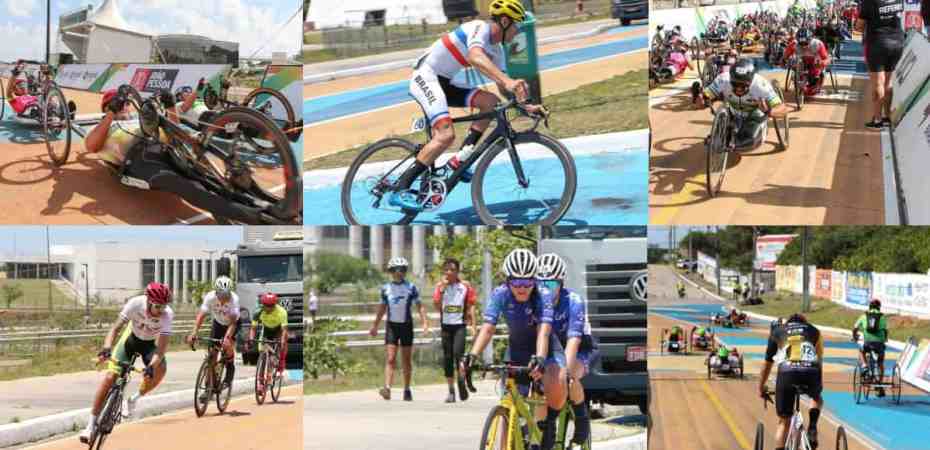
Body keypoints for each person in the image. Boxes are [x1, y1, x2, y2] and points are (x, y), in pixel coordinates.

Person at [390, 0, 545, 210]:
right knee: (445, 135)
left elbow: (505, 86)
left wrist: (528, 106)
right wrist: (508, 81)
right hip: (426, 77)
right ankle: (400, 188)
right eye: (516, 25)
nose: (517, 31)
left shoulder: (497, 51)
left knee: (491, 102)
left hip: (446, 81)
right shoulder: (479, 28)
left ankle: (459, 161)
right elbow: (474, 56)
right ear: (506, 21)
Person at [84, 88, 265, 223]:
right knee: (190, 187)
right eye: (116, 104)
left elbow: (174, 131)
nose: (123, 107)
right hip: (140, 160)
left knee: (208, 179)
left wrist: (170, 104)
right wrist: (110, 115)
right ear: (106, 108)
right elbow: (91, 146)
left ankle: (257, 202)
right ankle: (256, 217)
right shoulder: (103, 126)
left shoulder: (140, 118)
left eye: (124, 104)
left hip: (167, 148)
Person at [461, 248, 564, 450]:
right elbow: (488, 328)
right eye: (517, 282)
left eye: (528, 282)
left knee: (543, 392)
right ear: (508, 281)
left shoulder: (543, 295)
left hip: (546, 349)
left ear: (535, 281)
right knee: (508, 404)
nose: (522, 288)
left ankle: (543, 433)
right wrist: (472, 355)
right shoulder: (500, 294)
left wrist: (541, 359)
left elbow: (544, 332)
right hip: (516, 350)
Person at [79, 283, 173, 443]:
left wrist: (151, 366)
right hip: (130, 341)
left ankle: (134, 399)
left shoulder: (167, 315)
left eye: (163, 306)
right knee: (110, 377)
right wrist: (107, 348)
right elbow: (115, 329)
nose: (160, 310)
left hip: (150, 345)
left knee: (161, 370)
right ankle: (90, 426)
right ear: (149, 301)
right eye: (157, 306)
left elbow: (162, 347)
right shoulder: (136, 304)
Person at [536, 253, 598, 445]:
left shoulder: (574, 301)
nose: (546, 289)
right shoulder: (534, 301)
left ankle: (581, 417)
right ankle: (544, 428)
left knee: (568, 378)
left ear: (561, 282)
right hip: (551, 349)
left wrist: (564, 371)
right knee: (541, 386)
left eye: (551, 285)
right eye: (541, 284)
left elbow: (574, 340)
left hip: (579, 348)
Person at [758, 314, 824, 450]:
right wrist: (817, 387)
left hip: (787, 373)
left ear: (787, 323)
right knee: (816, 398)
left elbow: (767, 364)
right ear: (805, 323)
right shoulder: (814, 331)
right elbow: (819, 360)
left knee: (784, 421)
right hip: (811, 371)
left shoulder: (777, 331)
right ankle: (812, 426)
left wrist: (761, 387)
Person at [369, 257, 430, 401]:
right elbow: (382, 308)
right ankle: (387, 388)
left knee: (406, 360)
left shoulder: (411, 287)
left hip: (406, 326)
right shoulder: (386, 288)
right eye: (396, 269)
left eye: (403, 269)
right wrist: (375, 326)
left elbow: (419, 306)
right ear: (391, 271)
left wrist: (425, 323)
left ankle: (407, 389)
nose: (399, 272)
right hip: (392, 326)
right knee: (390, 358)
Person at [696, 59, 790, 149]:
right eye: (735, 84)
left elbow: (783, 109)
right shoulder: (723, 79)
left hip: (754, 114)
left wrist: (769, 111)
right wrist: (701, 100)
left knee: (750, 140)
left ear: (751, 82)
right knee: (716, 143)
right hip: (733, 112)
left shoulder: (761, 85)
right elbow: (702, 100)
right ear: (730, 79)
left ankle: (758, 131)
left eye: (743, 85)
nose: (739, 89)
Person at [186, 276, 240, 398]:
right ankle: (208, 387)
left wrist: (227, 338)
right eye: (221, 294)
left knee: (228, 346)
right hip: (218, 323)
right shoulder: (210, 297)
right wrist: (194, 332)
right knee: (211, 355)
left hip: (232, 324)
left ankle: (230, 367)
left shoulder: (234, 300)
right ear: (216, 292)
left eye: (227, 294)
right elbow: (201, 315)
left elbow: (233, 323)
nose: (224, 297)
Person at [432, 257, 477, 403]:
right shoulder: (440, 286)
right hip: (446, 325)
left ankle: (462, 381)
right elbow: (436, 305)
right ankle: (451, 391)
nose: (449, 272)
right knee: (447, 358)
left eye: (452, 269)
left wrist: (473, 327)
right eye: (446, 270)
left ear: (457, 271)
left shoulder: (465, 286)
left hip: (459, 325)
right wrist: (442, 289)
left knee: (459, 354)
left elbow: (471, 307)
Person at [856, 0, 905, 129]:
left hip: (878, 43)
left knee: (878, 83)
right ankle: (887, 117)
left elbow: (859, 27)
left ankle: (877, 119)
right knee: (888, 83)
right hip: (898, 42)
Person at [249, 292, 290, 386]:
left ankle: (278, 366)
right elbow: (253, 328)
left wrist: (282, 341)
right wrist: (251, 339)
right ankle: (260, 382)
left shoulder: (282, 312)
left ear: (275, 304)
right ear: (263, 304)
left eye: (271, 305)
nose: (268, 308)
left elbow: (284, 330)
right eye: (266, 305)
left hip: (278, 331)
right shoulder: (258, 312)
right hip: (266, 330)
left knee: (275, 354)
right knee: (263, 354)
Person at [852, 299, 889, 397]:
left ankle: (864, 365)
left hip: (868, 342)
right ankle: (879, 385)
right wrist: (885, 339)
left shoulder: (864, 316)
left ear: (869, 307)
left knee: (861, 350)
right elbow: (885, 331)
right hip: (879, 344)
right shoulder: (882, 317)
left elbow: (855, 328)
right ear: (879, 307)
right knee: (880, 363)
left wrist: (855, 336)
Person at [783, 29, 831, 97]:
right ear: (797, 40)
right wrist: (783, 61)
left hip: (815, 62)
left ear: (810, 39)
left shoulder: (818, 44)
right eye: (801, 43)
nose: (803, 45)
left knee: (816, 74)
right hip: (802, 61)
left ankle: (816, 83)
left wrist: (823, 63)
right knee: (794, 64)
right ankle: (798, 79)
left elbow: (827, 59)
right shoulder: (794, 44)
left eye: (805, 42)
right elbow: (785, 56)